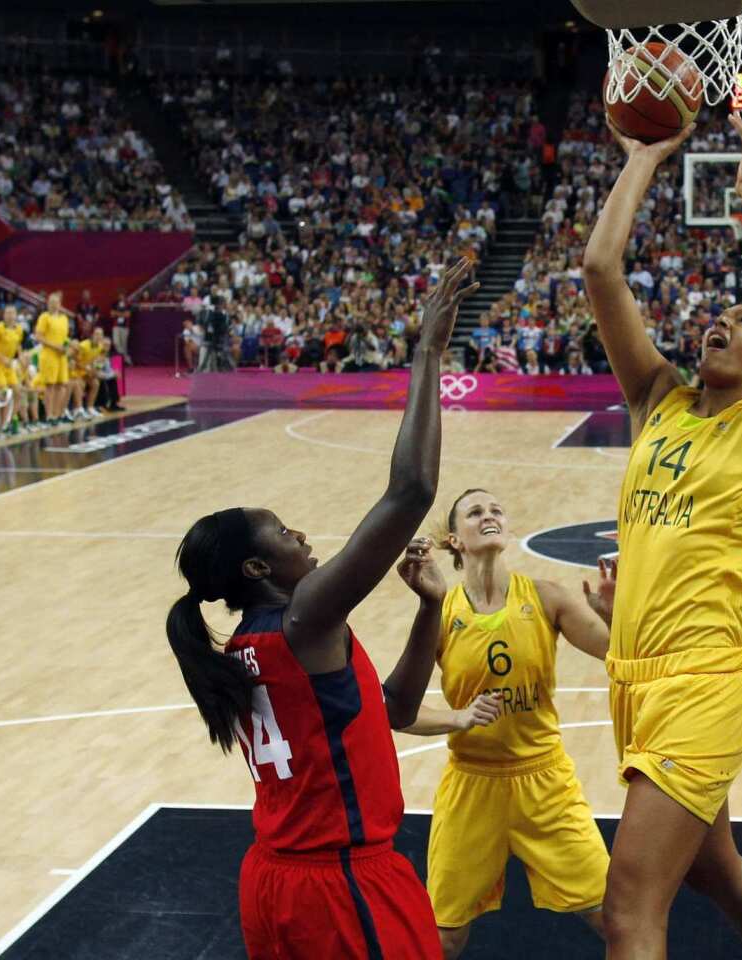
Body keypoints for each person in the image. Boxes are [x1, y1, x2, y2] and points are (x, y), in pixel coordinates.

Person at [163, 258, 477, 959]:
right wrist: (426, 351)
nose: (299, 534)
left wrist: (430, 610)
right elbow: (412, 490)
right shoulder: (304, 619)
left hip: (275, 883)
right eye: (282, 531)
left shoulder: (253, 642)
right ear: (256, 568)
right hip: (340, 886)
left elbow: (393, 711)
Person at [582, 112, 742, 959]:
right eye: (717, 315)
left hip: (705, 681)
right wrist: (642, 161)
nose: (723, 320)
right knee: (712, 871)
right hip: (633, 675)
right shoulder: (659, 401)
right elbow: (599, 268)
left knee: (628, 908)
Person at [402, 489, 616, 959]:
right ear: (456, 540)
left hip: (545, 782)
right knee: (442, 935)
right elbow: (399, 710)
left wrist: (617, 614)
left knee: (615, 921)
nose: (489, 515)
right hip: (472, 786)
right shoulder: (440, 613)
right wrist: (458, 718)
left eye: (496, 509)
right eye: (475, 512)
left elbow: (618, 655)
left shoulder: (547, 597)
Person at [34, 292, 71, 424]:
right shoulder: (44, 317)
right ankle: (49, 415)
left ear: (60, 304)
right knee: (50, 386)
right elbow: (38, 336)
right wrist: (55, 346)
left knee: (61, 385)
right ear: (48, 304)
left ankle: (57, 414)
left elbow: (64, 337)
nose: (54, 305)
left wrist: (67, 346)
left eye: (56, 302)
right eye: (51, 302)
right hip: (49, 355)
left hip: (61, 356)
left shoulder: (64, 318)